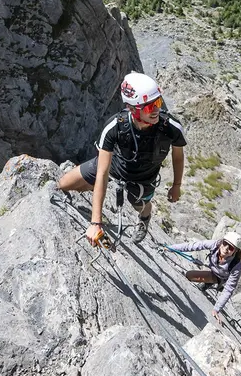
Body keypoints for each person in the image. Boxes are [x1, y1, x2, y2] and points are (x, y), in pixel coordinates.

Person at [59, 72, 186, 246]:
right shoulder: (115, 127)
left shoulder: (171, 127)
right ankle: (94, 189)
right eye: (149, 107)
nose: (156, 110)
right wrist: (96, 223)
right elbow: (102, 172)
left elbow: (177, 157)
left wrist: (176, 185)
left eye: (157, 102)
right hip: (113, 168)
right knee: (63, 184)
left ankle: (145, 217)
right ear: (132, 109)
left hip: (144, 178)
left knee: (139, 203)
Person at [167, 231, 241, 324]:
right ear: (222, 242)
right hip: (211, 267)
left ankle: (212, 282)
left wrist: (216, 309)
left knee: (193, 276)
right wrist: (170, 248)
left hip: (219, 277)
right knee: (189, 275)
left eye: (231, 247)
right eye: (225, 243)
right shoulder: (215, 244)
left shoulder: (236, 265)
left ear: (235, 251)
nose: (226, 248)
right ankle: (209, 282)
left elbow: (229, 289)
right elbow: (192, 246)